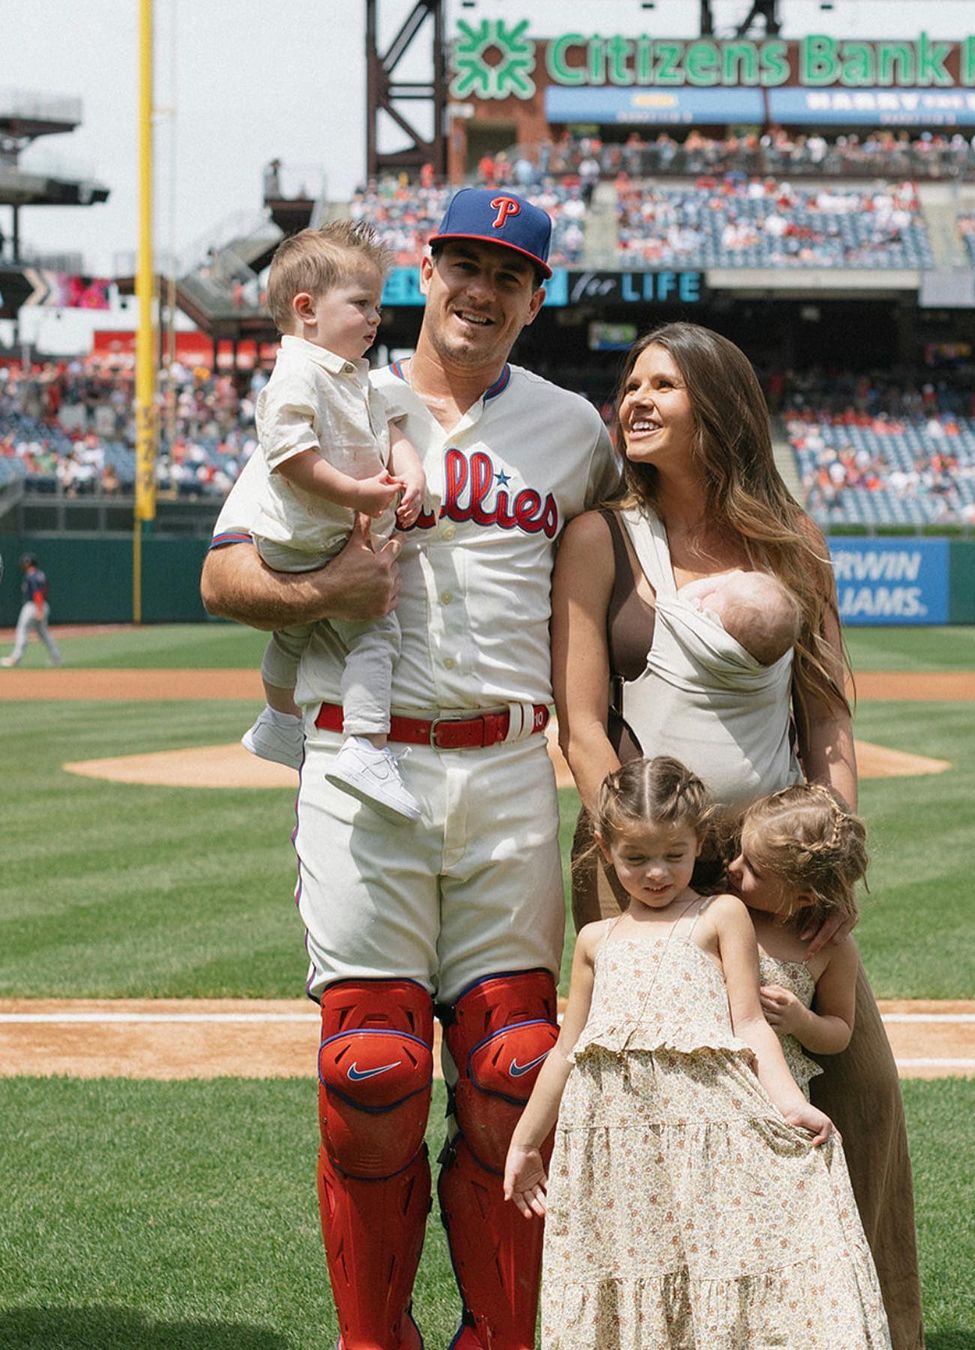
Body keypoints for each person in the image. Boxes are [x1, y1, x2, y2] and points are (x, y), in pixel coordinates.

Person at [200, 187, 619, 1350]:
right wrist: (321, 592)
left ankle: (499, 1336)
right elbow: (223, 576)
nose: (482, 291)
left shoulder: (570, 433)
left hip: (504, 774)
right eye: (464, 266)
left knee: (511, 1070)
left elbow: (614, 590)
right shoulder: (337, 398)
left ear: (536, 297)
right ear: (424, 273)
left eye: (510, 275)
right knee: (371, 1073)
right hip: (361, 764)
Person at [551, 322, 924, 1347]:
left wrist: (829, 847)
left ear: (715, 405)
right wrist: (639, 851)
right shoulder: (600, 539)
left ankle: (873, 1323)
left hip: (772, 871)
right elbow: (580, 721)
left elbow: (828, 718)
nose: (633, 399)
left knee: (859, 1085)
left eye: (661, 385)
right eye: (629, 384)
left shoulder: (791, 542)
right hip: (645, 861)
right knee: (648, 1099)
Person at [503, 757, 891, 1349]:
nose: (657, 873)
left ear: (699, 844)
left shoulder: (720, 914)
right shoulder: (593, 941)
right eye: (636, 858)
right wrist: (527, 1142)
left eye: (675, 856)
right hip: (620, 1148)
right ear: (606, 849)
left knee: (712, 1273)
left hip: (706, 1135)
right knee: (637, 1276)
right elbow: (567, 1051)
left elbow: (751, 1025)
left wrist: (789, 1104)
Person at [239, 219, 427, 822]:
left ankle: (275, 722)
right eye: (361, 304)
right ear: (307, 309)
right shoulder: (298, 371)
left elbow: (390, 429)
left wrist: (411, 470)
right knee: (377, 632)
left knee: (292, 635)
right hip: (311, 539)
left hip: (319, 537)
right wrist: (357, 493)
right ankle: (366, 745)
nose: (376, 318)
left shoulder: (353, 376)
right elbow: (289, 452)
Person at [727, 782, 867, 1096]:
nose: (733, 867)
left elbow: (840, 1030)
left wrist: (801, 1021)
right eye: (739, 851)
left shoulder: (830, 947)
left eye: (753, 869)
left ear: (804, 898)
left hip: (775, 1092)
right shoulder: (722, 908)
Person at [2, 554, 62, 668]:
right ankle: (57, 657)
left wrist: (39, 609)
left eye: (25, 563)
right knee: (43, 633)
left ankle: (15, 658)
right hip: (43, 605)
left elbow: (37, 593)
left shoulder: (32, 576)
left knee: (22, 630)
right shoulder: (40, 575)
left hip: (33, 606)